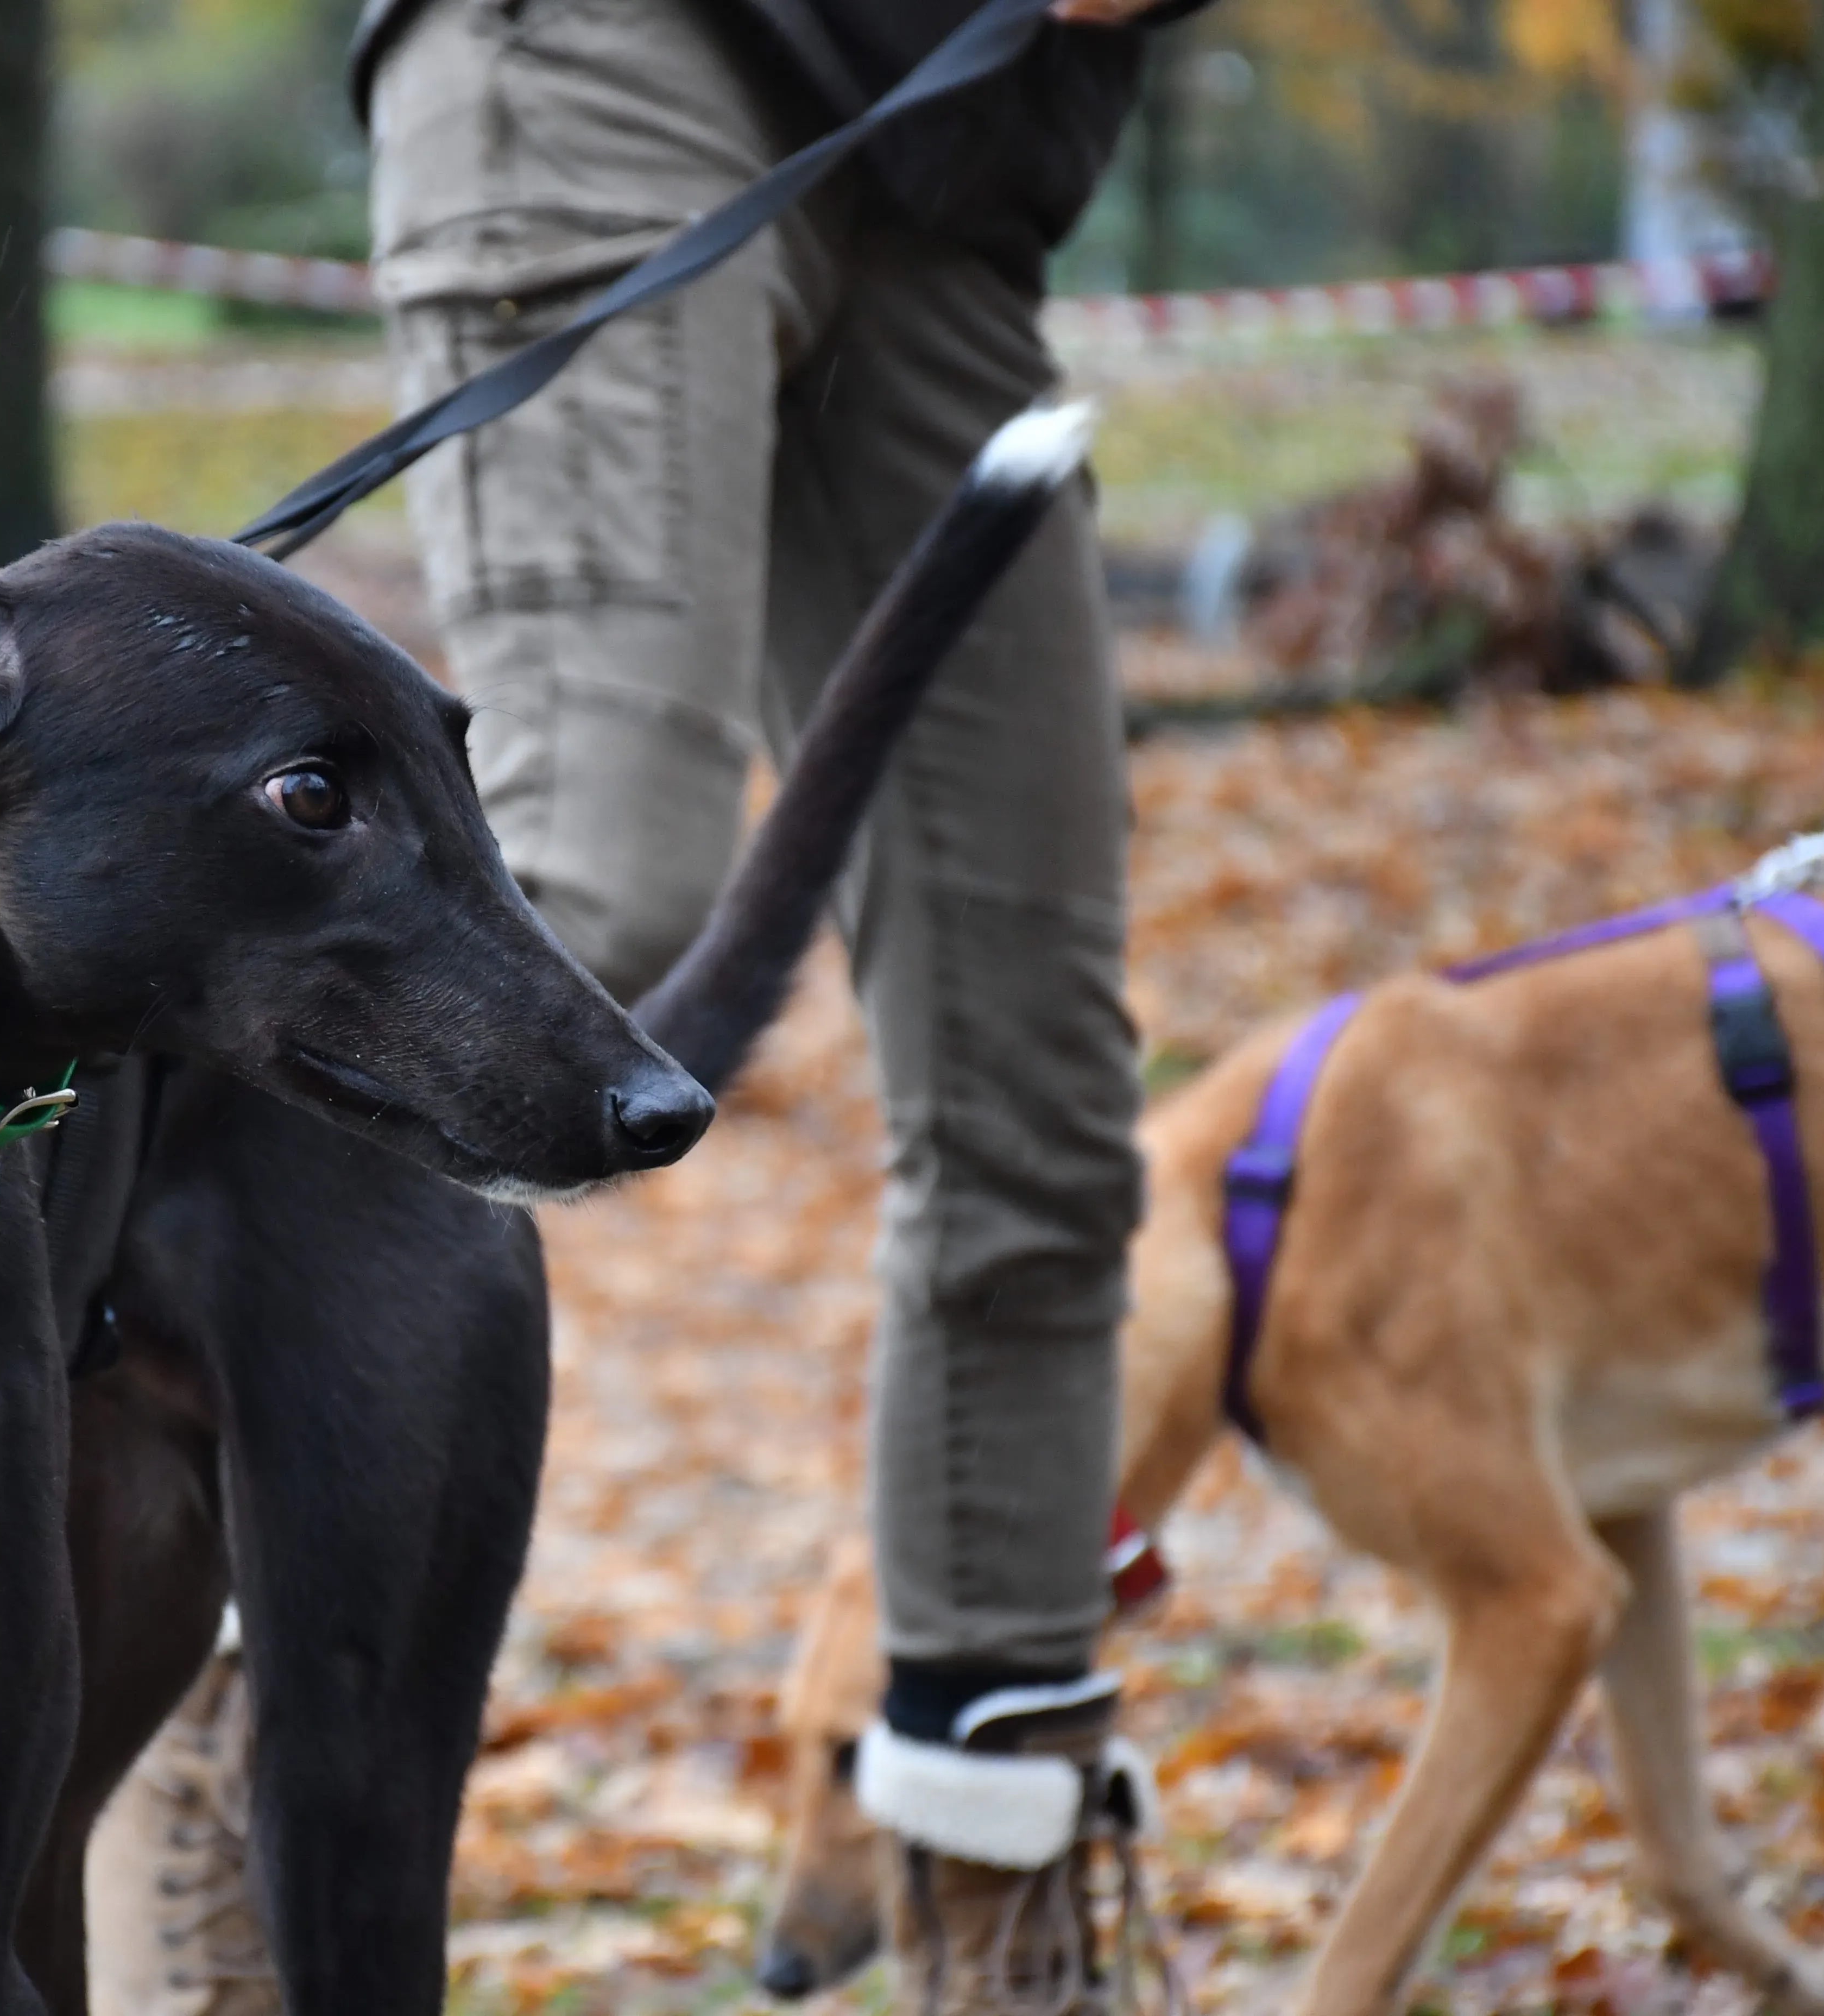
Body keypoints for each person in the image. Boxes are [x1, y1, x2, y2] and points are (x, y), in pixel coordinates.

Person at [94, 0, 1181, 2009]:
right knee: (580, 897)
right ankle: (217, 1716)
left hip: (951, 164)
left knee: (1038, 1078)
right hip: (618, 50)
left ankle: (998, 1868)